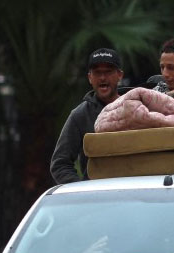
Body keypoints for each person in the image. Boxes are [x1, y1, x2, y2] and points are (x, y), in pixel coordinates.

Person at [50, 48, 124, 184]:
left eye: (108, 72)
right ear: (90, 77)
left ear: (120, 75)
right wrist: (83, 190)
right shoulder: (79, 115)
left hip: (134, 196)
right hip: (96, 201)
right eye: (97, 73)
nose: (102, 77)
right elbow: (60, 164)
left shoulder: (137, 108)